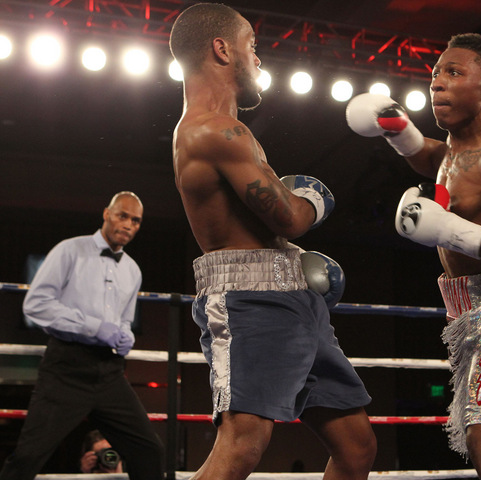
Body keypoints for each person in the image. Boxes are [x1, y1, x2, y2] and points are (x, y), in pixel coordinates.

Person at [168, 4, 376, 480]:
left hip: (296, 300)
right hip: (249, 304)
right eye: (252, 46)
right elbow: (291, 218)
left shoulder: (232, 131)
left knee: (357, 445)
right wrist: (314, 198)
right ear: (222, 49)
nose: (258, 59)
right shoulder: (211, 131)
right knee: (242, 445)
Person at [346, 33, 481, 479]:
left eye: (454, 73)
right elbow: (434, 159)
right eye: (436, 74)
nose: (437, 83)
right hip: (468, 310)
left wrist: (449, 230)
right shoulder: (458, 147)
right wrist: (399, 132)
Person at [0, 192, 164, 480]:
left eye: (135, 220)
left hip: (110, 373)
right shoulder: (69, 251)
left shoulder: (132, 270)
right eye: (122, 215)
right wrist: (93, 327)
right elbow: (35, 304)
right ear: (106, 214)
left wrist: (125, 334)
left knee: (149, 450)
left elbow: (124, 319)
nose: (128, 224)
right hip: (66, 367)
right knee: (27, 457)